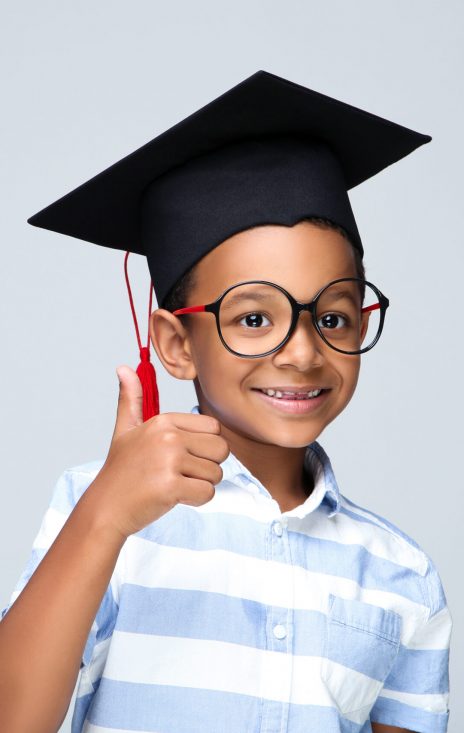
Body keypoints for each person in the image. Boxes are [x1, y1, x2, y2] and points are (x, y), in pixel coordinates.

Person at [0, 70, 452, 733]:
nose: (302, 352)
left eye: (332, 318)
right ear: (176, 342)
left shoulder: (399, 572)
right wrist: (104, 515)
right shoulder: (104, 516)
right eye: (253, 319)